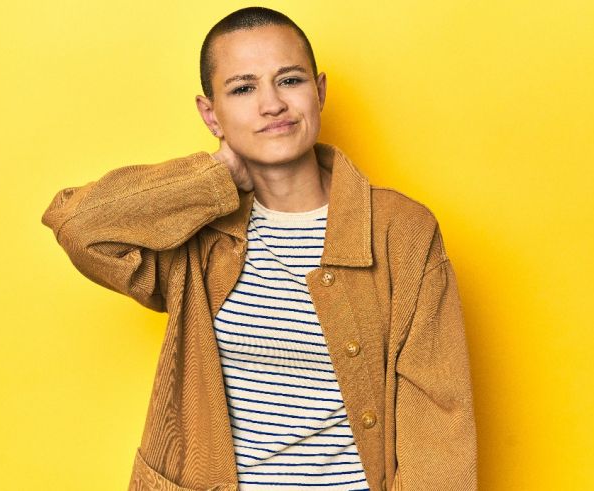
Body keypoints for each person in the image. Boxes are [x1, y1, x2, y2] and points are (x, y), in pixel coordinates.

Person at [41, 6, 476, 491]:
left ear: (320, 91)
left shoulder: (401, 231)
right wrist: (214, 176)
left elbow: (439, 424)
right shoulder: (195, 235)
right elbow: (80, 226)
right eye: (243, 89)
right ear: (212, 115)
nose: (272, 104)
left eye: (289, 80)